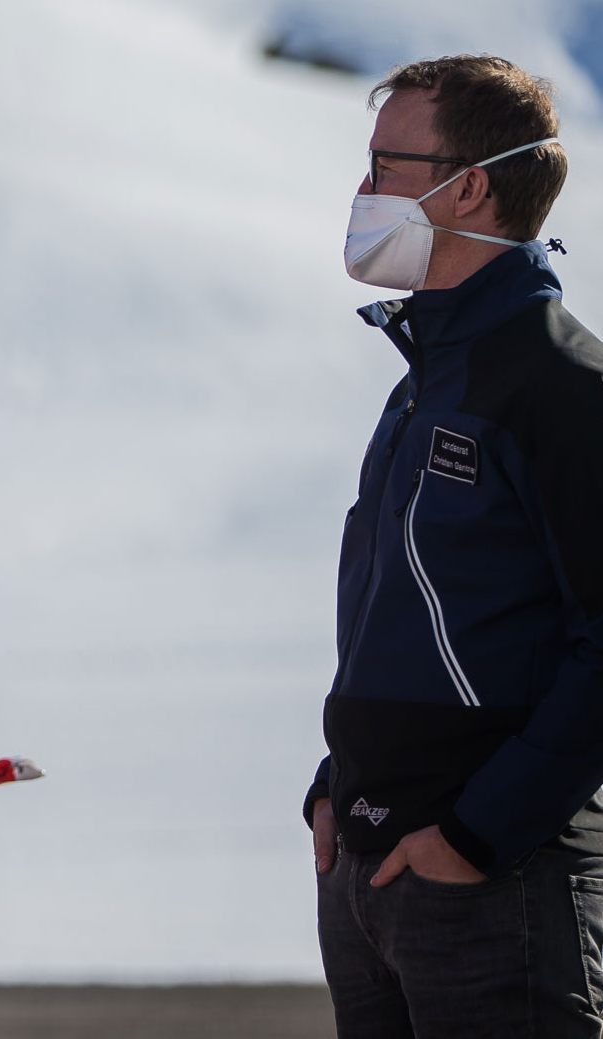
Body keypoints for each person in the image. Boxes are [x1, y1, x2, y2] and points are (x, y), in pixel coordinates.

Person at [302, 55, 603, 1037]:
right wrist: (334, 786)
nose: (360, 193)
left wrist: (476, 836)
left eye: (383, 165)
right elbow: (401, 612)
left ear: (467, 184)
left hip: (492, 889)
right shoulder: (425, 377)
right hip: (371, 872)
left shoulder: (560, 383)